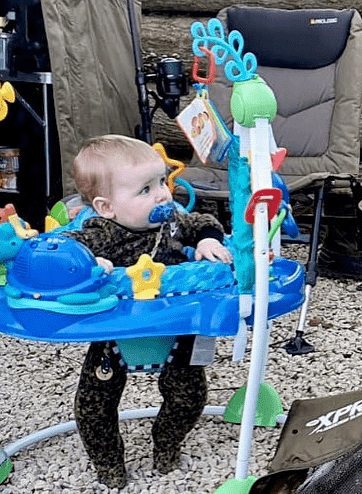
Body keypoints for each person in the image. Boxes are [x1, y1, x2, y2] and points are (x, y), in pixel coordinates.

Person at [64, 134, 233, 488]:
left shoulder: (171, 221)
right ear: (106, 206)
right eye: (146, 190)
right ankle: (108, 462)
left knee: (189, 397)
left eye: (161, 182)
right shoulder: (102, 231)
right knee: (93, 405)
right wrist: (89, 263)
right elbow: (69, 251)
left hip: (177, 328)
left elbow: (202, 221)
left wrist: (206, 239)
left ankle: (167, 443)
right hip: (116, 335)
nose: (162, 194)